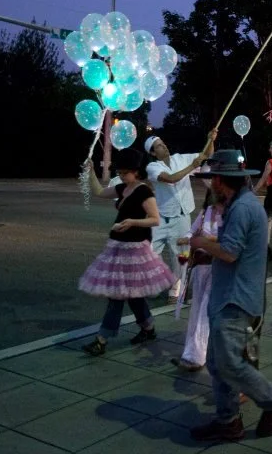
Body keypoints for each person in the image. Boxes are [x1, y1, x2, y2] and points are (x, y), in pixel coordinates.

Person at [189, 150, 272, 442]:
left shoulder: (242, 208)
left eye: (213, 180)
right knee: (216, 362)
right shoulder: (239, 204)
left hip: (236, 298)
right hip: (229, 294)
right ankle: (228, 420)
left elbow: (231, 252)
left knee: (230, 363)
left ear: (222, 179)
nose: (211, 187)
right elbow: (235, 249)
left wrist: (199, 242)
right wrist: (207, 255)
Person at [78, 150, 176, 356]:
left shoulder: (143, 191)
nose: (121, 176)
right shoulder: (124, 187)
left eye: (125, 173)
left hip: (134, 250)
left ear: (137, 172)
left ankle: (101, 340)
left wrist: (132, 222)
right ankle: (148, 328)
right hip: (118, 247)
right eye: (120, 173)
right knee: (133, 296)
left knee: (117, 296)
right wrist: (91, 172)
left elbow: (155, 219)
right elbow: (98, 192)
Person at [145, 130, 217, 301]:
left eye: (163, 143)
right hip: (162, 218)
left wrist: (211, 139)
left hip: (182, 216)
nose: (164, 147)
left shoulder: (180, 158)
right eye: (159, 146)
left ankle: (175, 289)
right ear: (153, 153)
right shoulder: (153, 167)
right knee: (150, 253)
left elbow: (207, 153)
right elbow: (171, 179)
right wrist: (193, 166)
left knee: (181, 255)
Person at [171, 182, 223, 372]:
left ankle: (196, 356)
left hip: (218, 267)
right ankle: (191, 353)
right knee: (197, 310)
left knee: (204, 312)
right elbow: (192, 231)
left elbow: (228, 238)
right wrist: (186, 238)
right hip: (201, 266)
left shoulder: (228, 214)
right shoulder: (205, 213)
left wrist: (204, 240)